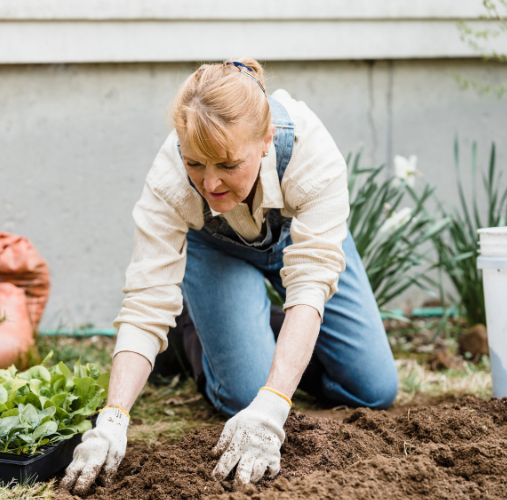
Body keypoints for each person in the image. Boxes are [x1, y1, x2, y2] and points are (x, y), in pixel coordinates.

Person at [60, 58, 398, 495]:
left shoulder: (311, 154)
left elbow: (311, 283)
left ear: (265, 139)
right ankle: (191, 333)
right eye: (196, 164)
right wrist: (113, 420)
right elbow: (146, 303)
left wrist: (275, 403)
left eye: (227, 163)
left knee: (374, 389)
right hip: (214, 249)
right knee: (243, 398)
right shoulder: (169, 182)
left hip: (300, 240)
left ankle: (241, 326)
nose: (211, 184)